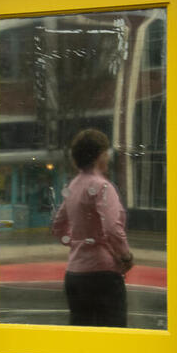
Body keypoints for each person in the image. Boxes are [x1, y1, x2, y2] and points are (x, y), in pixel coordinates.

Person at [51, 129, 132, 327]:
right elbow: (112, 228)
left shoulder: (74, 186)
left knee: (82, 337)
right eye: (106, 152)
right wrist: (125, 256)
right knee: (113, 338)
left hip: (75, 275)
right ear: (99, 155)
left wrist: (77, 242)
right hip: (103, 274)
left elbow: (58, 225)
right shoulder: (103, 187)